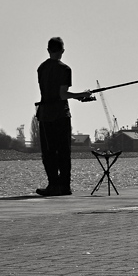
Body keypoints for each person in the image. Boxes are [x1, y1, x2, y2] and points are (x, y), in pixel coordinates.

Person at [35, 37, 92, 196]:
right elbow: (62, 94)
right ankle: (65, 186)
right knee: (63, 151)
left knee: (48, 152)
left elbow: (52, 93)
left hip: (45, 115)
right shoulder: (65, 69)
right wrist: (83, 94)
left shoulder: (41, 68)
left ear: (48, 50)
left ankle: (53, 185)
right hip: (61, 115)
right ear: (62, 51)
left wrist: (75, 96)